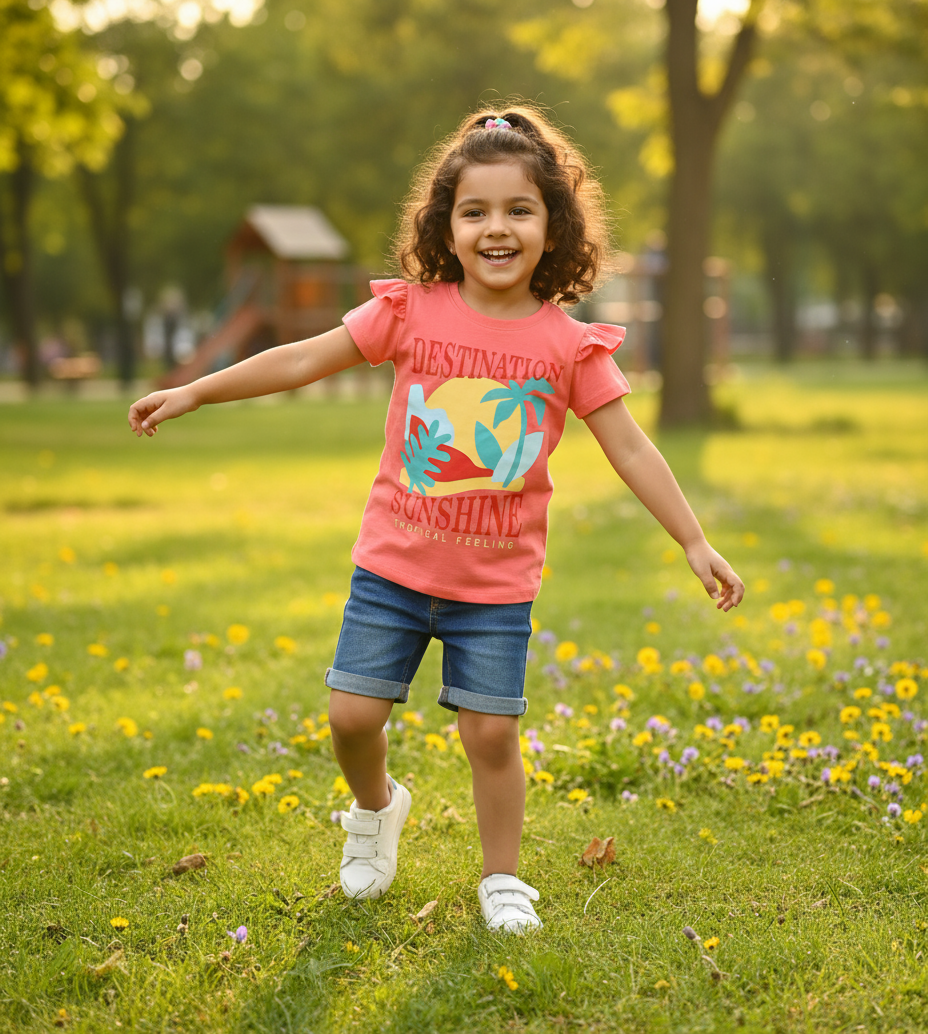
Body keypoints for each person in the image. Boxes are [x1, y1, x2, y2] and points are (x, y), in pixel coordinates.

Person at [128, 104, 744, 934]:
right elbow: (306, 355)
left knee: (491, 736)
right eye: (475, 210)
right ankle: (377, 810)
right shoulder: (410, 311)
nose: (497, 227)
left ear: (553, 227)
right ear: (444, 226)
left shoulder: (570, 345)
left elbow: (630, 449)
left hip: (494, 587)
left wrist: (693, 539)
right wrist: (199, 387)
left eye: (519, 209)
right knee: (352, 718)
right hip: (392, 569)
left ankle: (502, 880)